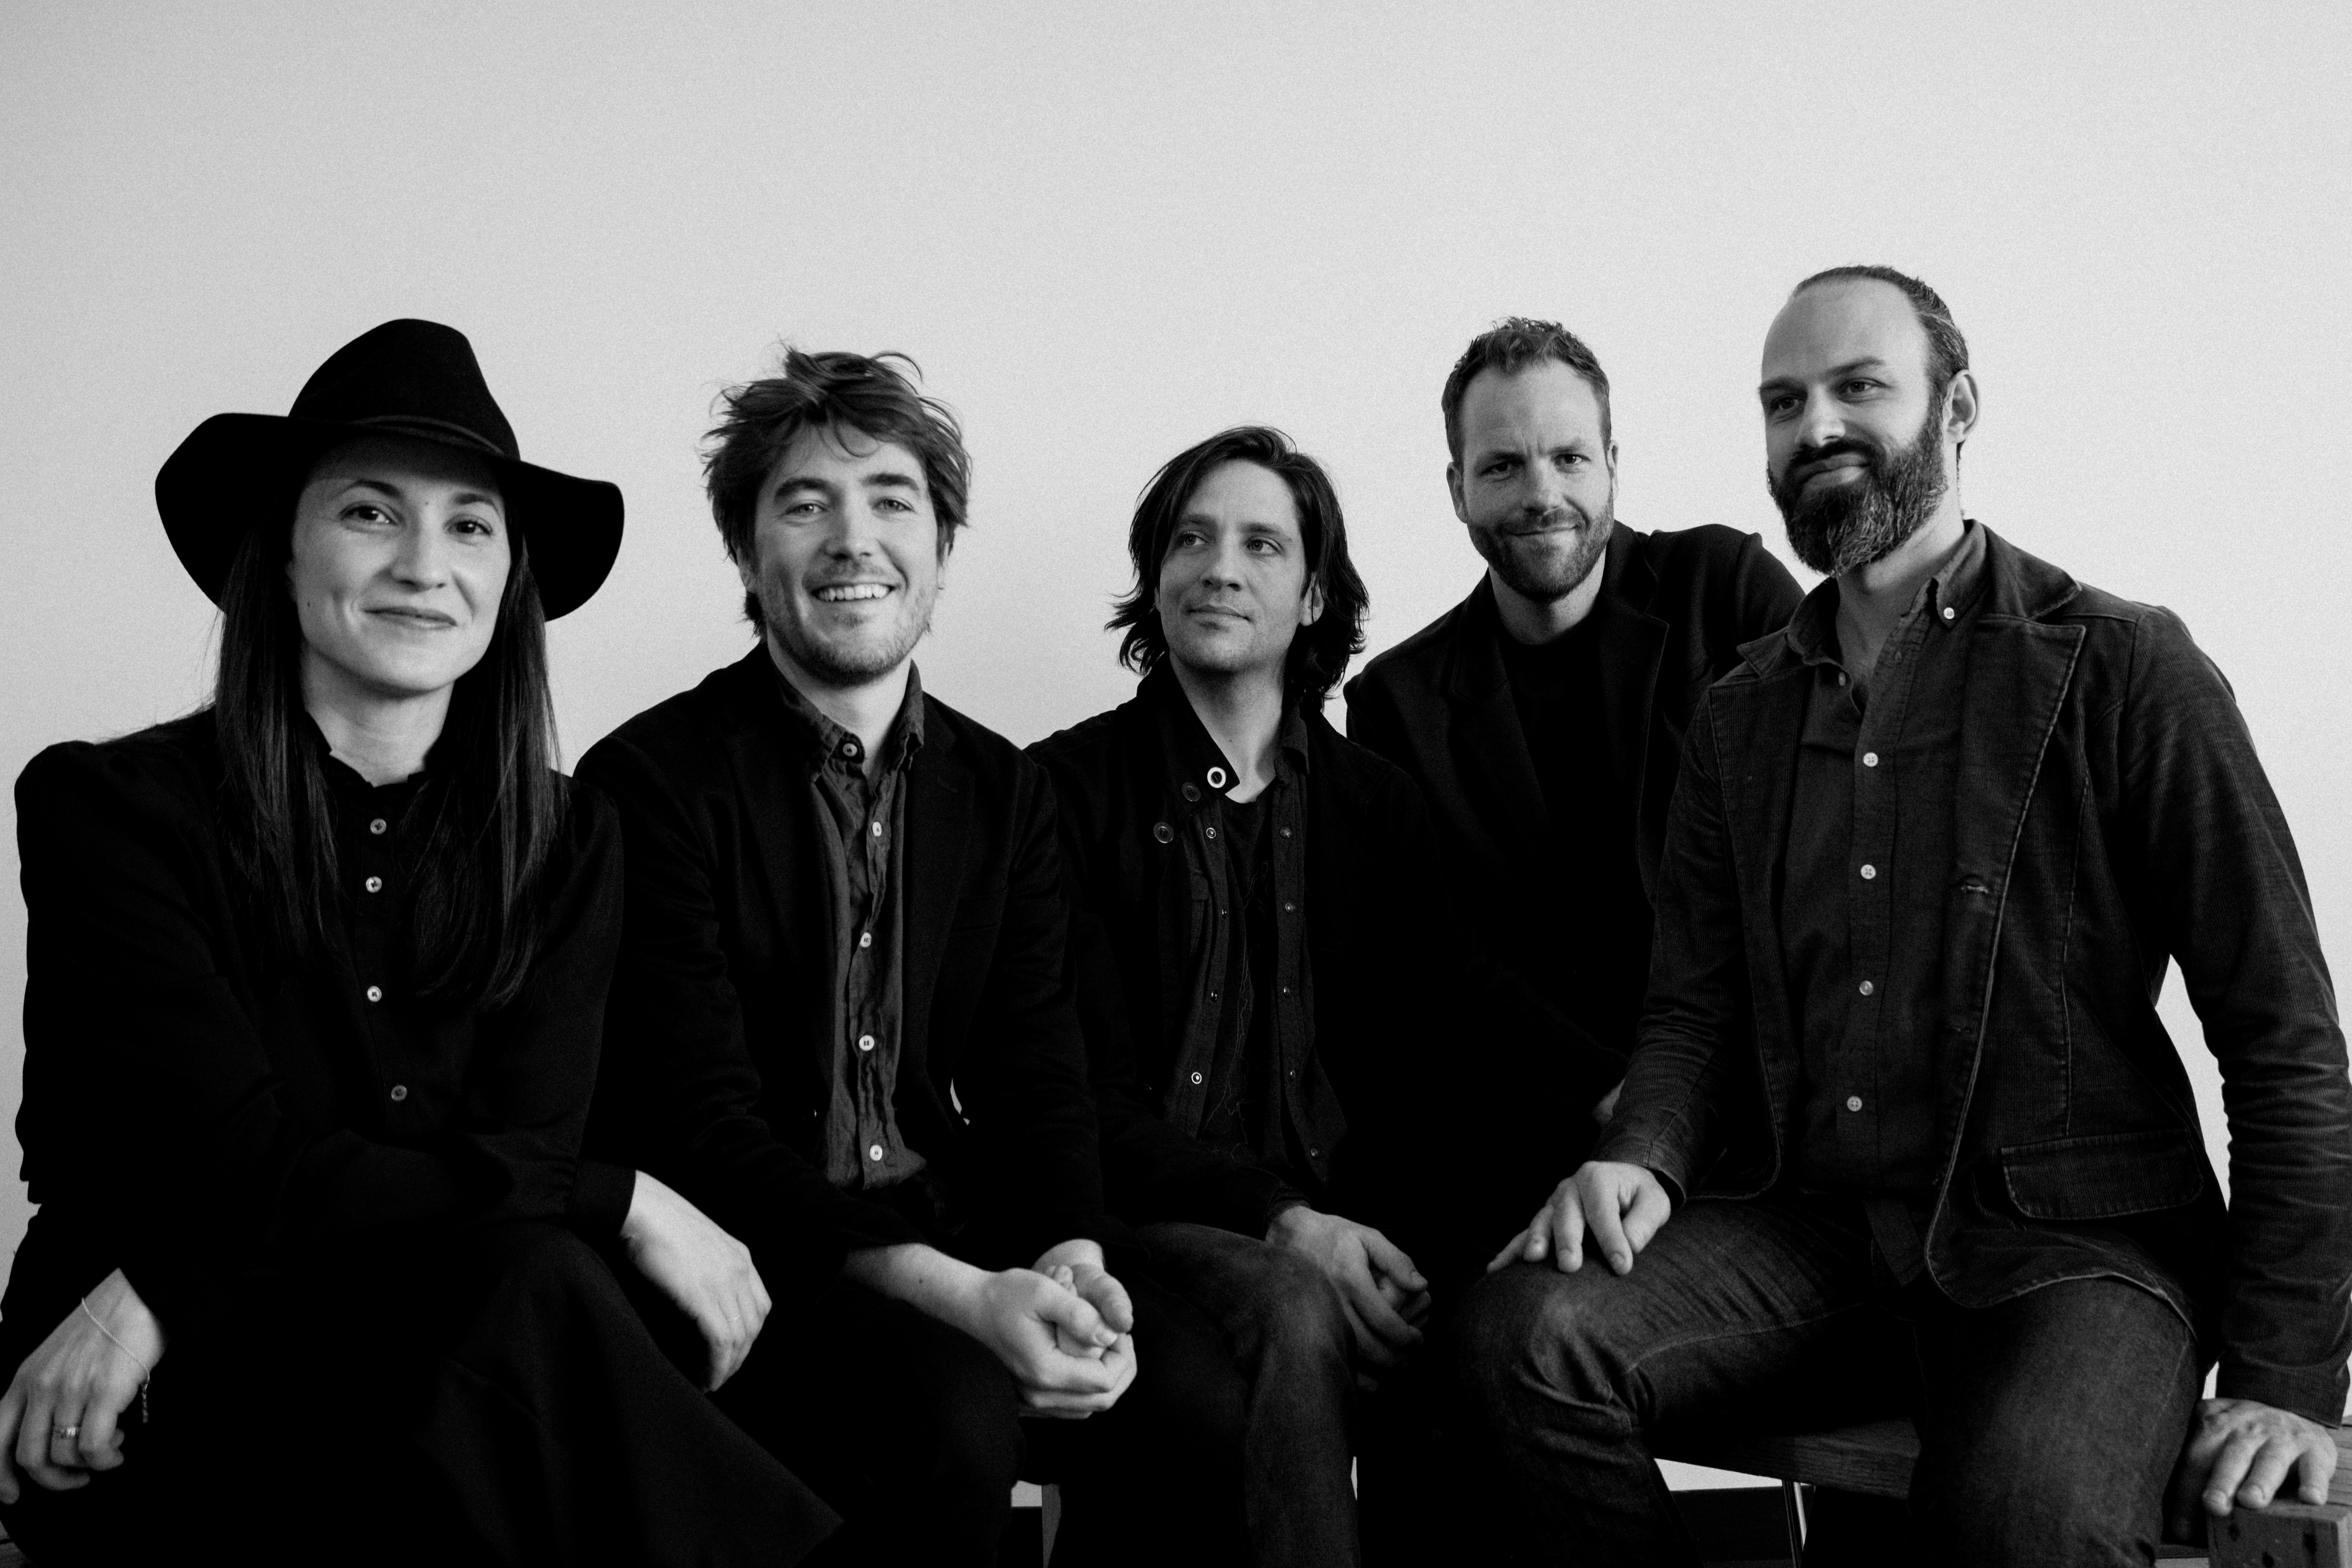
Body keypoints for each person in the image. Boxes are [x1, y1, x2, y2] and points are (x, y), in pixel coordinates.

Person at [1460, 267, 2352, 1565]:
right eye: (1783, 402)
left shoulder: (2124, 667)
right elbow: (1695, 1011)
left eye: (1858, 386)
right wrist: (1642, 1154)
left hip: (2075, 1249)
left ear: (1959, 407)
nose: (1814, 424)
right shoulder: (1740, 713)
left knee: (2025, 1512)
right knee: (1518, 1341)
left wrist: (2285, 1372)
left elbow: (2285, 1040)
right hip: (1816, 1237)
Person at [0, 320, 839, 1564]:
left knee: (525, 1306)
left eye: (470, 526)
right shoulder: (111, 811)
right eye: (370, 513)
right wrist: (618, 1195)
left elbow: (517, 1158)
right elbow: (236, 1171)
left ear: (509, 582)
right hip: (140, 1385)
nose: (423, 565)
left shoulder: (570, 839)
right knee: (537, 1301)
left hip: (420, 1347)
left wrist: (174, 1280)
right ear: (283, 549)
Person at [574, 348, 1247, 1566]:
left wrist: (1070, 1259)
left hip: (949, 1210)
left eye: (891, 501)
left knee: (1187, 1389)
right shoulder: (649, 782)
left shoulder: (1004, 788)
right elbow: (695, 1121)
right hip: (757, 1242)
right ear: (746, 555)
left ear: (940, 547)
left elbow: (1036, 1068)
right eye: (804, 504)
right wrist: (967, 1298)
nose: (854, 539)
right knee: (953, 1418)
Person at [1345, 318, 1802, 1244]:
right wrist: (1614, 1097)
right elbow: (1439, 955)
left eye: (1567, 458)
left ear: (1611, 466)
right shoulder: (1396, 702)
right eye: (1503, 466)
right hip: (1535, 1126)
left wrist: (1685, 1098)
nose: (1541, 494)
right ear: (1457, 489)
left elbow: (1826, 841)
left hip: (1765, 1104)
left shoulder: (1724, 590)